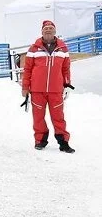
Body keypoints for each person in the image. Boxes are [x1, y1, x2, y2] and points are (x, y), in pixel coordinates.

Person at [22, 20, 74, 153]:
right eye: (46, 28)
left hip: (56, 90)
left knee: (58, 117)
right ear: (42, 31)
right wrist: (25, 87)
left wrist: (67, 84)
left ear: (55, 31)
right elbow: (27, 69)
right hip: (37, 90)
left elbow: (66, 69)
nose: (48, 30)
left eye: (51, 28)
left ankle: (63, 142)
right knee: (38, 117)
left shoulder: (63, 49)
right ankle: (40, 140)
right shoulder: (33, 48)